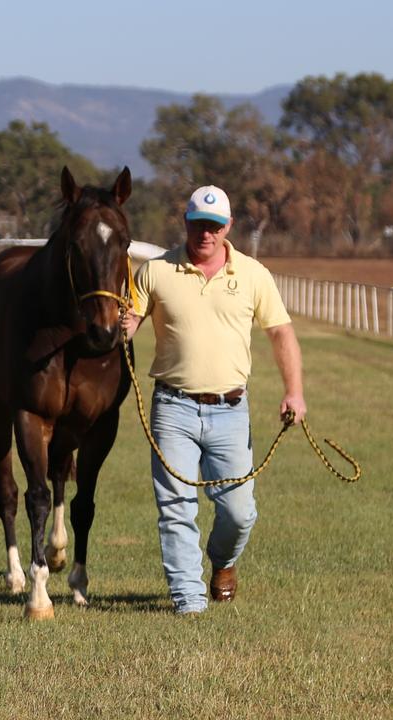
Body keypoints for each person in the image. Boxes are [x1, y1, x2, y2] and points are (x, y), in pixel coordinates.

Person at [123, 184, 306, 615]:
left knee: (240, 511)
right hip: (172, 408)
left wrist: (294, 392)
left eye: (213, 226)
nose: (205, 234)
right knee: (176, 507)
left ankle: (223, 562)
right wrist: (114, 328)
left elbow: (281, 333)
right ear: (185, 223)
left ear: (227, 227)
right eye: (197, 225)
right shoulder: (155, 271)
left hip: (231, 411)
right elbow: (126, 324)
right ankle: (189, 603)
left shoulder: (253, 274)